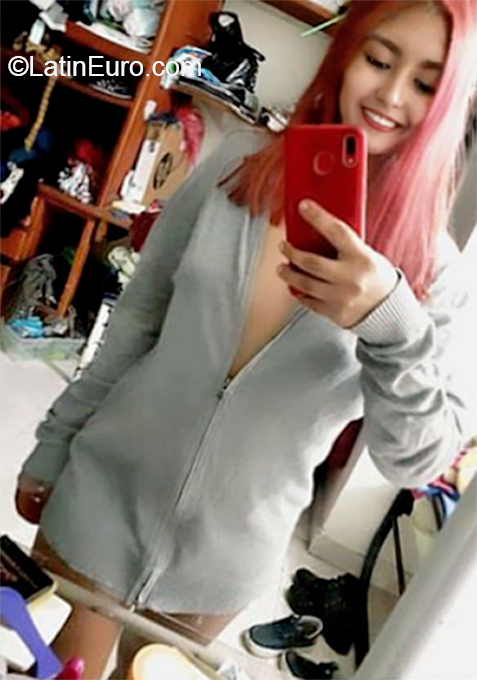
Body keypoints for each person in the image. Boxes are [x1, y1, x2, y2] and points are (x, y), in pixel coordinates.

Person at [15, 0, 476, 676]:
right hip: (99, 496)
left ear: (451, 104)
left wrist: (389, 320)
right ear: (344, 54)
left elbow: (417, 460)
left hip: (222, 560)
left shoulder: (437, 276)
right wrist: (54, 445)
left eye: (426, 83)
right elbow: (135, 324)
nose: (390, 93)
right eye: (378, 60)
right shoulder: (234, 167)